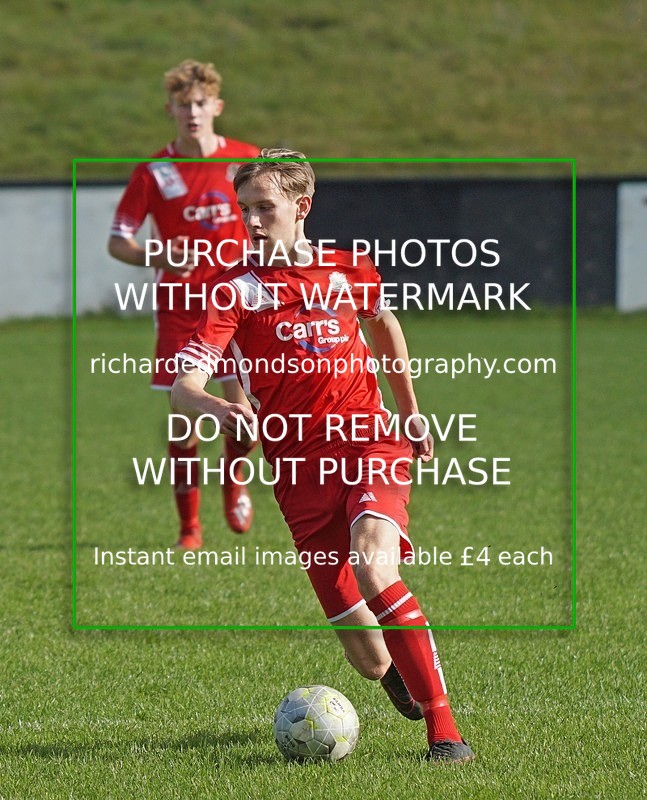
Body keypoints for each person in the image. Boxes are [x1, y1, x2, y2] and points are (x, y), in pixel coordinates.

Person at [170, 148, 475, 762]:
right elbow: (186, 383)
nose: (253, 221)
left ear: (301, 207)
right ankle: (399, 674)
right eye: (245, 209)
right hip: (298, 473)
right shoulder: (234, 291)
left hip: (369, 443)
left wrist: (409, 407)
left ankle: (444, 731)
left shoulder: (347, 271)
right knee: (366, 658)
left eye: (266, 208)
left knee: (373, 564)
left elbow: (383, 325)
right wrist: (215, 406)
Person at [108, 59, 258, 549]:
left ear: (217, 107)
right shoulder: (155, 172)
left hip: (237, 305)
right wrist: (161, 253)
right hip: (180, 309)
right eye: (182, 105)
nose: (192, 112)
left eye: (200, 103)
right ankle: (189, 527)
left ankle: (234, 480)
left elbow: (273, 222)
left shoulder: (245, 160)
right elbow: (118, 241)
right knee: (184, 419)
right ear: (170, 109)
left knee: (245, 418)